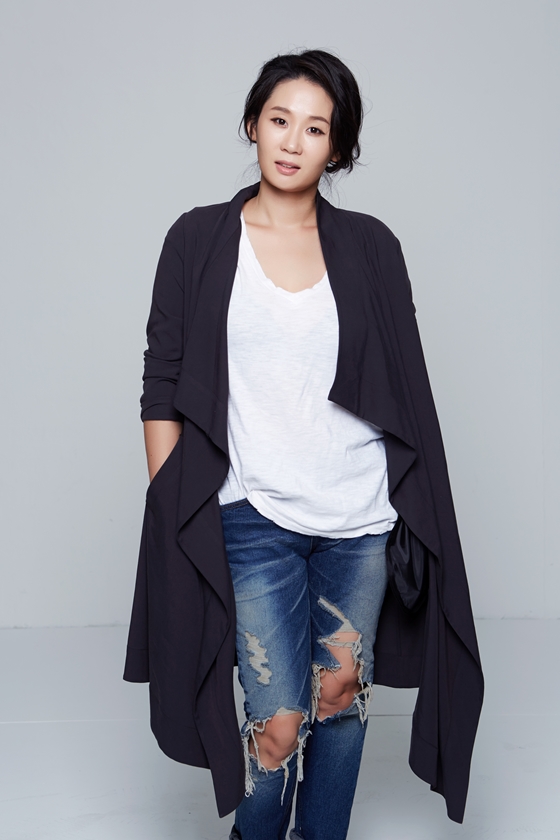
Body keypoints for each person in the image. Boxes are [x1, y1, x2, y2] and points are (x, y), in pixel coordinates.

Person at [124, 49, 484, 840]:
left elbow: (406, 389)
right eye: (279, 120)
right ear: (252, 124)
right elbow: (163, 379)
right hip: (249, 515)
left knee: (339, 697)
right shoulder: (198, 239)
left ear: (339, 147)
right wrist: (173, 502)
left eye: (315, 129)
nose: (292, 142)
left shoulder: (372, 247)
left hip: (359, 520)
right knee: (278, 724)